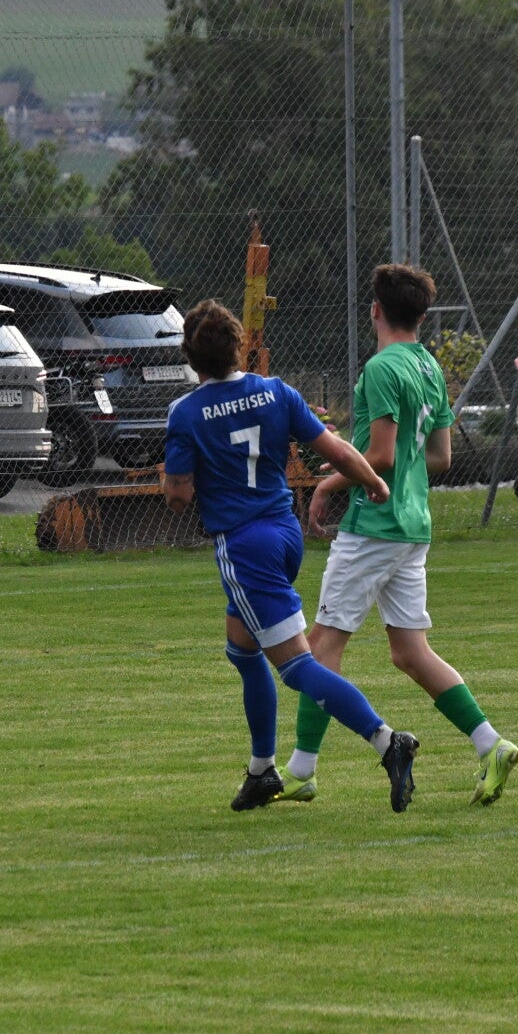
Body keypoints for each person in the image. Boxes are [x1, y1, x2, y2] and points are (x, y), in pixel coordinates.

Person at [162, 299, 422, 813]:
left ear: (190, 357)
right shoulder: (276, 391)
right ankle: (262, 770)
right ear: (238, 347)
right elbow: (337, 449)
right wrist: (372, 481)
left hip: (244, 546)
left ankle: (387, 741)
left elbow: (178, 495)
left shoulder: (186, 412)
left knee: (298, 667)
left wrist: (176, 478)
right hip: (284, 532)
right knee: (242, 650)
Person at [298, 264, 518, 806]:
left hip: (374, 525)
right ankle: (490, 744)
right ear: (421, 317)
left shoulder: (381, 368)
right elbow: (440, 457)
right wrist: (366, 458)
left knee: (320, 649)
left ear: (375, 310)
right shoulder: (428, 366)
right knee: (409, 652)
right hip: (413, 525)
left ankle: (301, 772)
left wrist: (330, 479)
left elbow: (379, 455)